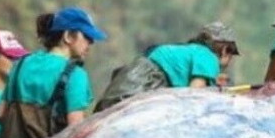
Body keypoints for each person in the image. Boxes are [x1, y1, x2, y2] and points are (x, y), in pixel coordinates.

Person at [0, 7, 107, 138]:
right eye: (87, 36)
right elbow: (76, 132)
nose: (91, 42)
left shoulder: (21, 64)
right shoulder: (75, 75)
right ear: (68, 36)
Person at [94, 21, 240, 111]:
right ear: (224, 49)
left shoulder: (191, 51)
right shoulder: (208, 57)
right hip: (143, 81)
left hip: (133, 74)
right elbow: (195, 95)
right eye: (231, 51)